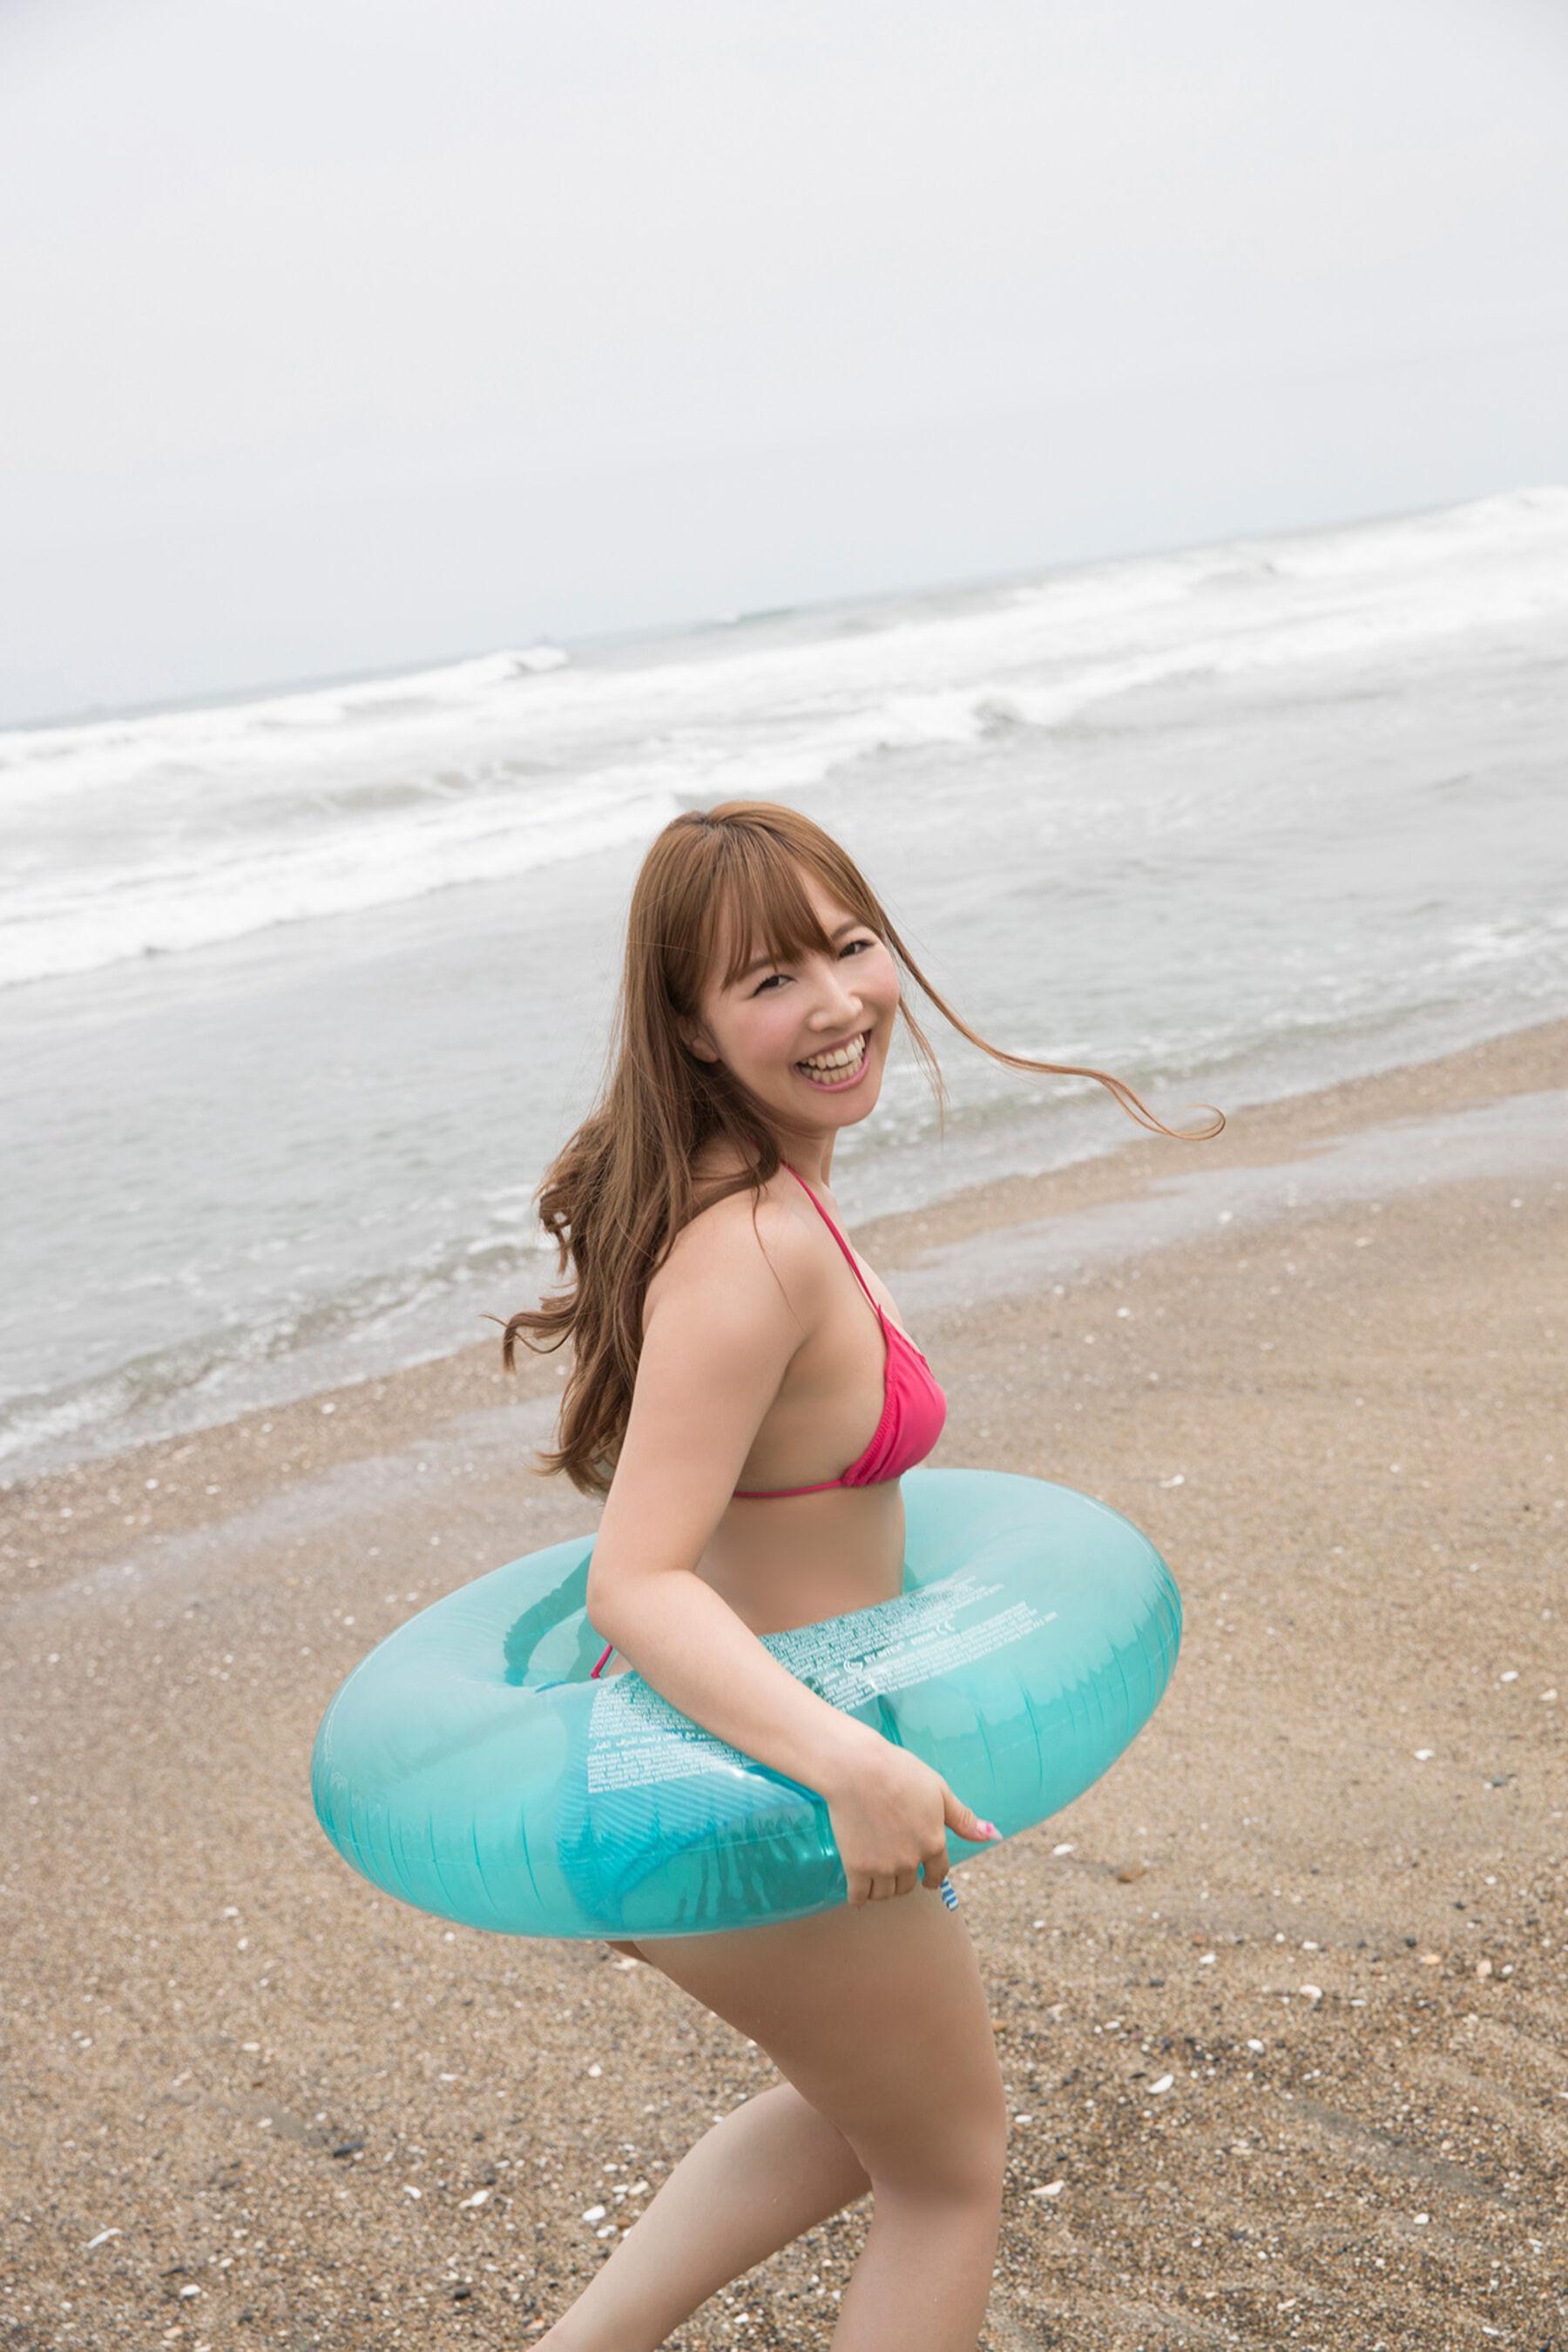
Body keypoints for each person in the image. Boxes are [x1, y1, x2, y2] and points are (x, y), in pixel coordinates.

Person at [493, 800, 1222, 2350]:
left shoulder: (765, 1193)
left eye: (847, 946)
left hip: (727, 1766)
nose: (835, 1004)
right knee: (949, 2176)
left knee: (860, 2120)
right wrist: (845, 1765)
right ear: (690, 1029)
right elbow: (636, 1579)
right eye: (769, 980)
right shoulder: (753, 1247)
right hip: (749, 1784)